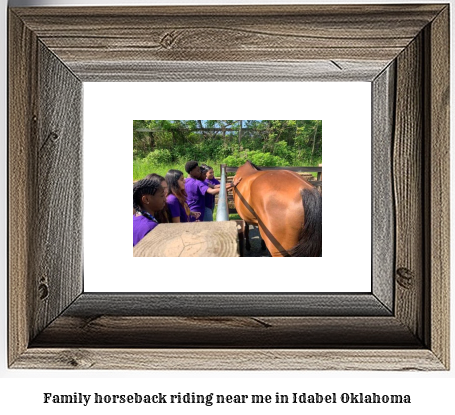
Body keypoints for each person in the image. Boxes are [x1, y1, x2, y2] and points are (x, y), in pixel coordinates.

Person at [133, 178, 166, 247]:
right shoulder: (151, 228)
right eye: (162, 196)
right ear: (146, 199)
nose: (165, 199)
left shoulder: (134, 218)